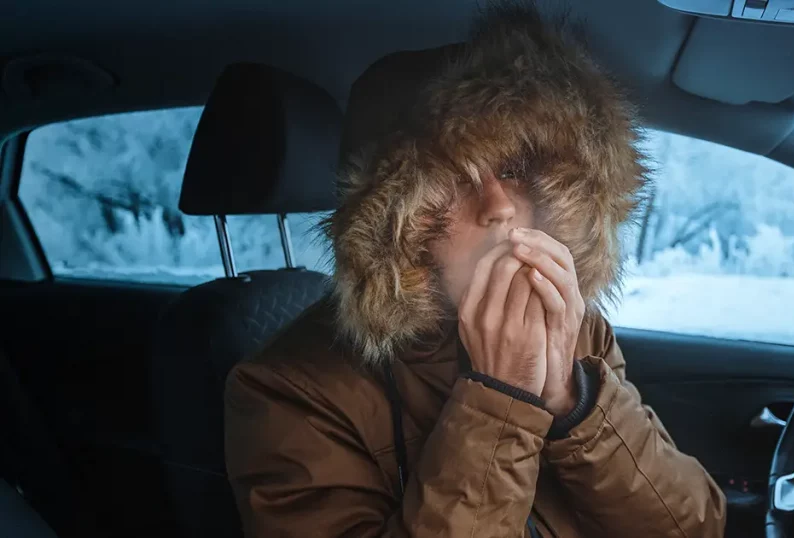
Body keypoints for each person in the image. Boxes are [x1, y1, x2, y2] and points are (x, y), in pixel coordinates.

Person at [224, 4, 726, 537]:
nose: (499, 205)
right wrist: (499, 402)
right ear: (391, 220)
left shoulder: (577, 330)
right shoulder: (286, 393)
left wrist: (573, 401)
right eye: (453, 177)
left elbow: (694, 527)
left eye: (514, 170)